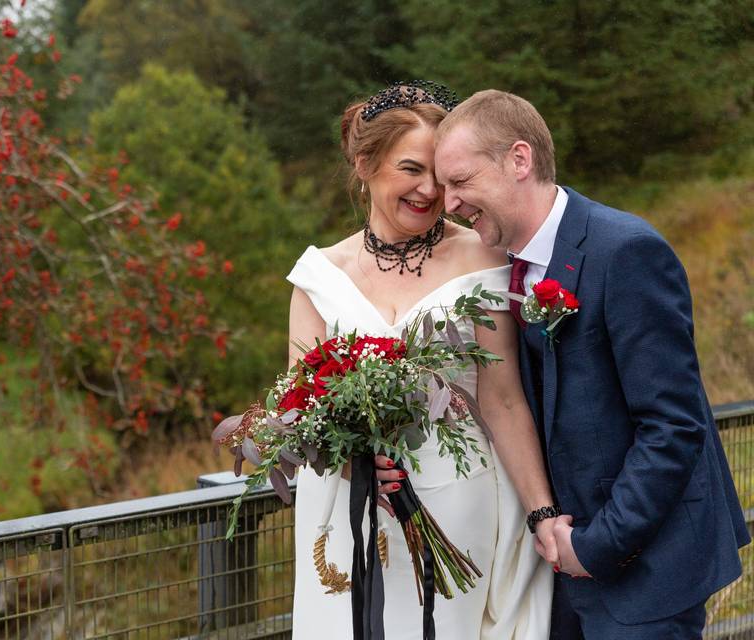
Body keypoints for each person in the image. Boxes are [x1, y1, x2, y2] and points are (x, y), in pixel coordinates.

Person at [433, 89, 751, 639]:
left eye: (460, 183)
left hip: (647, 569)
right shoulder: (506, 269)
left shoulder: (625, 251)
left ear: (518, 159)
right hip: (560, 570)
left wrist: (596, 545)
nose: (449, 204)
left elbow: (673, 426)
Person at [288, 82, 557, 639]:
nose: (430, 189)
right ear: (365, 164)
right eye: (411, 169)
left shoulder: (482, 255)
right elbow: (299, 410)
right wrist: (353, 458)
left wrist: (542, 513)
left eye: (440, 172)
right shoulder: (319, 278)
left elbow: (503, 399)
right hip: (346, 508)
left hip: (457, 495)